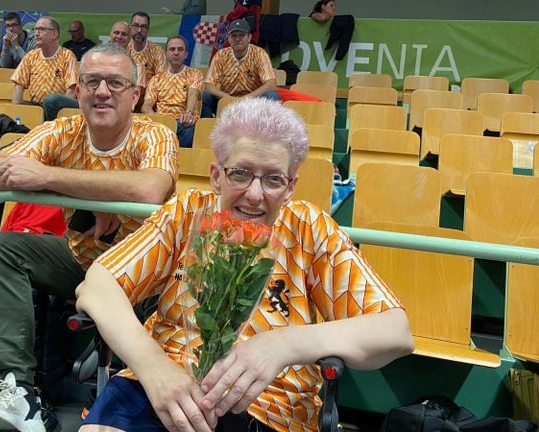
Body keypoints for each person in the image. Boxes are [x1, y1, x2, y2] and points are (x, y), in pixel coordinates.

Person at [75, 97, 415, 432]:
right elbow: (98, 285)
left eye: (273, 179)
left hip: (269, 408)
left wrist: (285, 344)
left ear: (291, 187)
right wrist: (153, 366)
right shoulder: (187, 211)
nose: (255, 194)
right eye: (241, 174)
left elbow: (394, 331)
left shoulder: (311, 229)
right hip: (159, 389)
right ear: (216, 176)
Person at [0, 43, 179, 432]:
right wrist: (100, 195)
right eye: (92, 81)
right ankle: (20, 390)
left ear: (135, 95)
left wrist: (50, 179)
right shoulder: (59, 131)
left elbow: (149, 188)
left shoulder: (155, 136)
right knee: (3, 248)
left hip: (150, 278)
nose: (102, 92)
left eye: (115, 82)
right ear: (77, 89)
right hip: (83, 263)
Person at [201, 19, 279, 118]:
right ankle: (207, 128)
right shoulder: (221, 55)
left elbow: (271, 84)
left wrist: (245, 98)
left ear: (249, 37)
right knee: (205, 96)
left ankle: (270, 131)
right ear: (228, 38)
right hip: (227, 100)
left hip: (253, 100)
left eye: (241, 35)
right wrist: (228, 98)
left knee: (272, 95)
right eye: (234, 36)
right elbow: (208, 85)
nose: (237, 39)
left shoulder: (259, 53)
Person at [10, 16, 78, 122]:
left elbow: (71, 91)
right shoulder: (31, 56)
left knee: (51, 100)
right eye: (35, 29)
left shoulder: (67, 56)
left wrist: (64, 117)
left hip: (58, 109)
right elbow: (19, 86)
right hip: (36, 106)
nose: (36, 33)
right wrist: (15, 113)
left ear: (54, 34)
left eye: (41, 29)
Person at [142, 36, 202, 148]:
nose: (176, 53)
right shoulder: (156, 78)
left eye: (180, 49)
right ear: (166, 53)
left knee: (188, 126)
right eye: (172, 49)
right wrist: (156, 121)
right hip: (162, 121)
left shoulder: (195, 74)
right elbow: (146, 105)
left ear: (186, 54)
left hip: (183, 121)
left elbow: (193, 94)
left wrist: (188, 112)